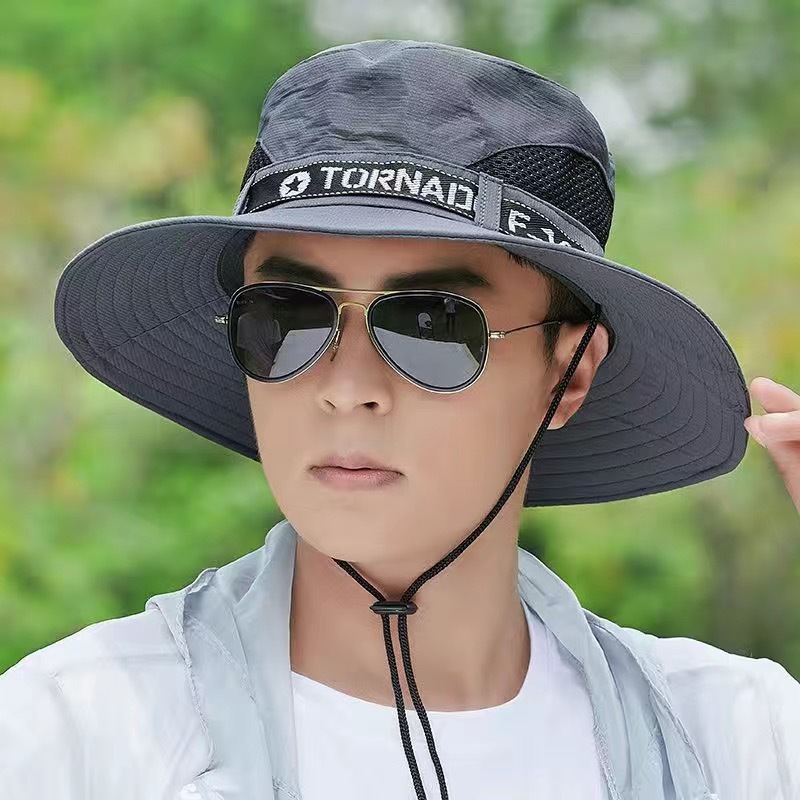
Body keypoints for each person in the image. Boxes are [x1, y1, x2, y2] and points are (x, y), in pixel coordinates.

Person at [1, 38, 799, 800]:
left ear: (569, 373)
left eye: (431, 325)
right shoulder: (72, 736)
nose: (347, 388)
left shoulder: (740, 742)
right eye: (287, 315)